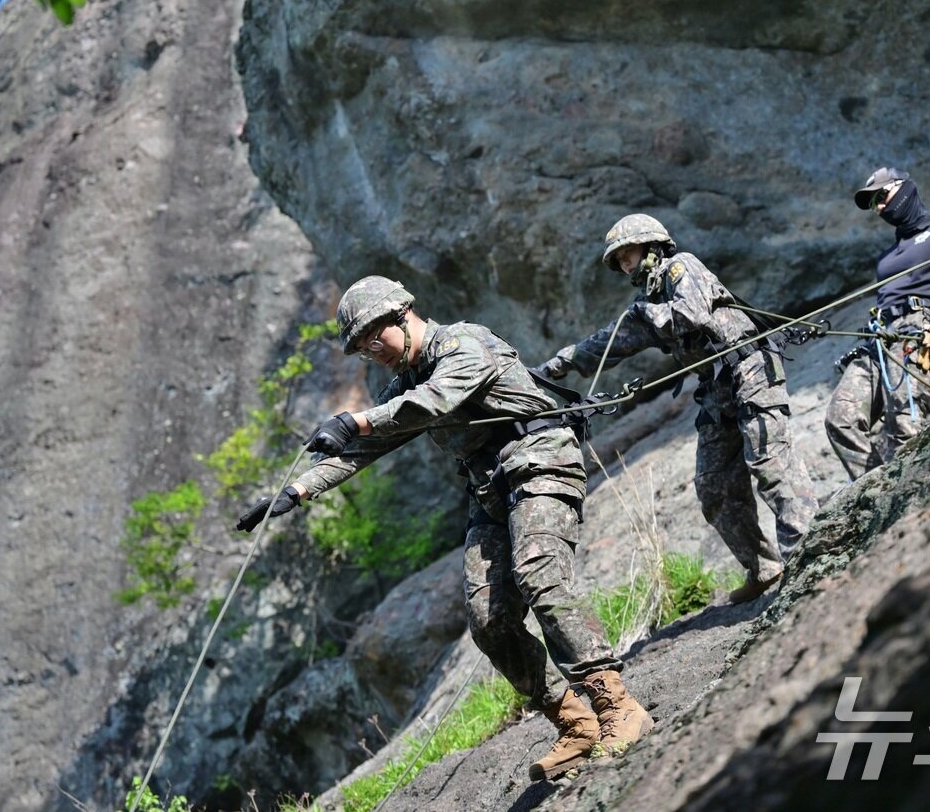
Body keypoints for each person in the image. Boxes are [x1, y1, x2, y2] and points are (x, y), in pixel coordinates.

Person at [236, 276, 652, 781]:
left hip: (541, 461)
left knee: (539, 573)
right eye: (361, 349)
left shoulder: (464, 343)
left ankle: (618, 707)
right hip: (491, 490)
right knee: (488, 619)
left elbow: (433, 403)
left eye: (373, 338)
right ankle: (574, 722)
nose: (372, 352)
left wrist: (358, 419)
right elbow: (361, 448)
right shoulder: (405, 382)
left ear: (400, 316)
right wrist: (296, 492)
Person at [535, 215, 818, 606]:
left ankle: (811, 550)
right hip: (717, 389)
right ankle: (764, 568)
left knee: (770, 463)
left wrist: (645, 315)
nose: (624, 264)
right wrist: (557, 365)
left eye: (627, 253)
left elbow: (693, 313)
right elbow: (607, 343)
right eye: (617, 260)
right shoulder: (645, 302)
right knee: (713, 485)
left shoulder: (681, 268)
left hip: (749, 369)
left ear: (651, 246)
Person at [824, 168, 930, 480]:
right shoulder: (886, 257)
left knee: (906, 425)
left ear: (905, 188)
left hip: (919, 333)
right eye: (873, 204)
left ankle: (917, 492)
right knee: (840, 419)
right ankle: (878, 489)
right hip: (880, 340)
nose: (879, 207)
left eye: (882, 196)